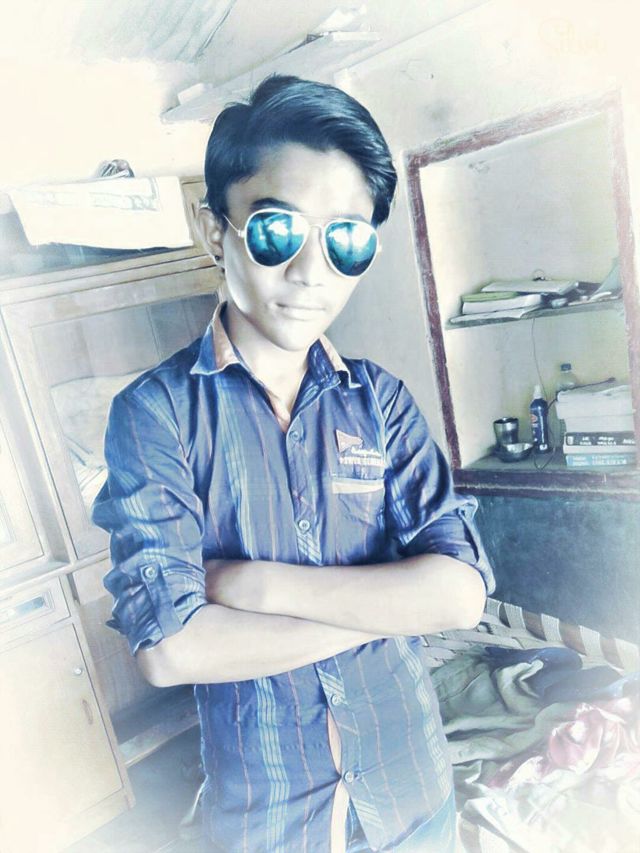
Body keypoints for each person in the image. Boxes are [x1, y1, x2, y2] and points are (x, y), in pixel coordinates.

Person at [93, 74, 494, 853]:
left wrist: (254, 586)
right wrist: (386, 609)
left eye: (346, 239)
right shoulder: (155, 414)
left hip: (413, 795)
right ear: (216, 231)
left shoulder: (380, 401)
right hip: (270, 820)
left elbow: (460, 593)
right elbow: (171, 649)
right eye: (278, 229)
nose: (313, 271)